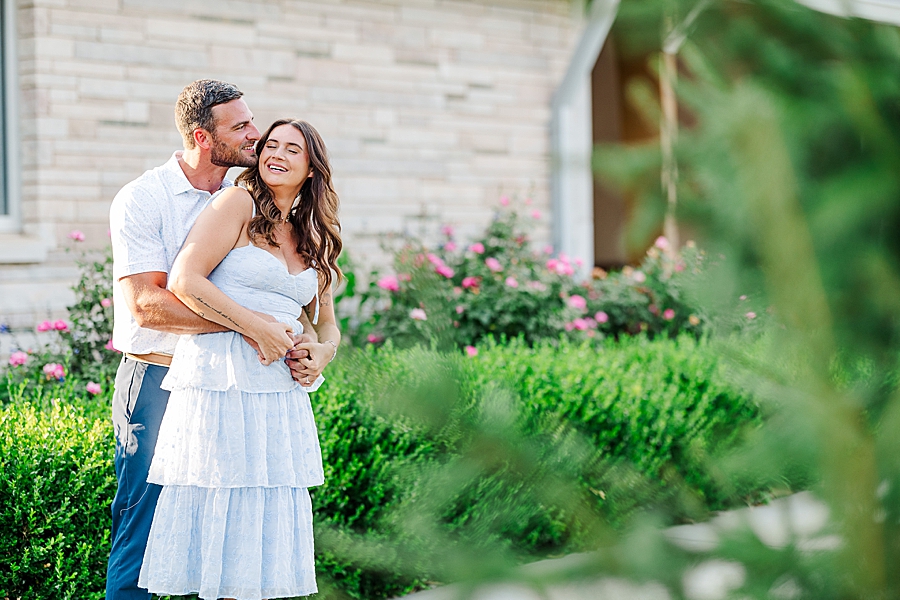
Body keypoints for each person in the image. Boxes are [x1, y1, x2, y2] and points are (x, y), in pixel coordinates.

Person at [106, 80, 321, 600]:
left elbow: (291, 298)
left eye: (253, 122)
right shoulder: (144, 198)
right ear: (203, 136)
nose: (256, 133)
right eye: (241, 127)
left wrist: (309, 343)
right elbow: (147, 304)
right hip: (158, 375)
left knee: (231, 533)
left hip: (237, 389)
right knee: (146, 520)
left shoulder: (252, 199)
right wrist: (250, 325)